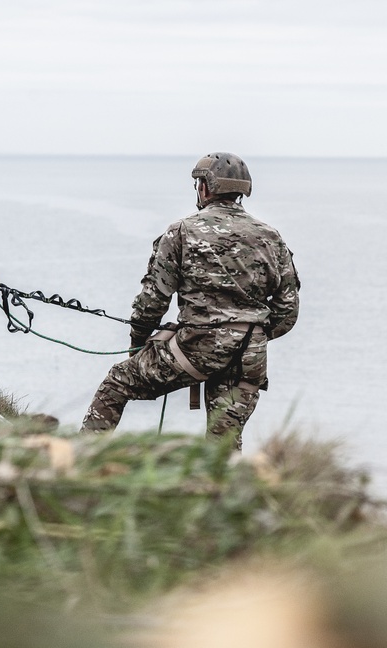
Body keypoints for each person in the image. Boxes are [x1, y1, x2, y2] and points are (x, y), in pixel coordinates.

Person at [81, 152, 300, 450]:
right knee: (223, 445)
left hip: (196, 348)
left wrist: (139, 342)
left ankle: (81, 458)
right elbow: (287, 311)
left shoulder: (182, 231)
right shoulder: (272, 237)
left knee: (117, 383)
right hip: (249, 356)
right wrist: (248, 333)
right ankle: (221, 493)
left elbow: (152, 300)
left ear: (205, 187)